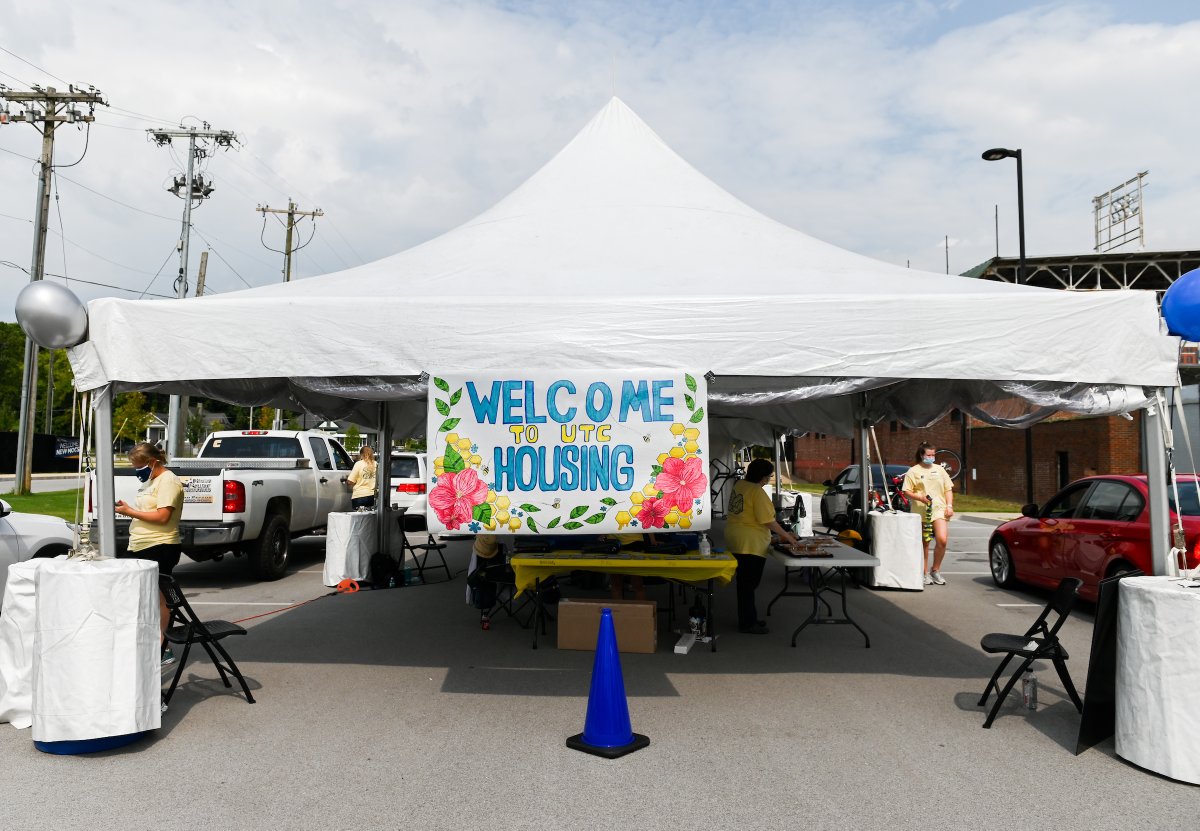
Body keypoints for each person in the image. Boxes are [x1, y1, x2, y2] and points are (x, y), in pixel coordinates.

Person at [114, 441, 185, 663]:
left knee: (159, 600)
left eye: (139, 466)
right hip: (140, 544)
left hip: (160, 545)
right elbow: (147, 509)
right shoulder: (151, 480)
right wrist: (129, 508)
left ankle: (163, 647)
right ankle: (145, 642)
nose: (137, 471)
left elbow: (163, 516)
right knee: (135, 597)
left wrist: (131, 512)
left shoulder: (168, 481)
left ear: (153, 462)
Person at [724, 458, 800, 634]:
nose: (768, 480)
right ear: (763, 477)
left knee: (744, 584)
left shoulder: (740, 485)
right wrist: (787, 536)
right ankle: (747, 623)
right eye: (769, 476)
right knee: (749, 585)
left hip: (736, 538)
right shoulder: (757, 492)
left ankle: (749, 618)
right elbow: (768, 521)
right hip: (750, 543)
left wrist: (777, 537)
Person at [901, 442, 955, 586]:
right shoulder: (913, 471)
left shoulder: (940, 470)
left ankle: (935, 570)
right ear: (921, 455)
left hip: (938, 509)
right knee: (925, 543)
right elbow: (907, 491)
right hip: (921, 510)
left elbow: (948, 489)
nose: (932, 457)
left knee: (942, 539)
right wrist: (920, 498)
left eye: (933, 455)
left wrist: (949, 506)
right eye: (929, 455)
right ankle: (924, 573)